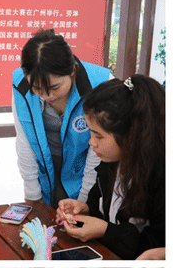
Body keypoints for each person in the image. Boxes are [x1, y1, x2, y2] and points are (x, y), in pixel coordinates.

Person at [55, 75, 165, 260]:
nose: (91, 143)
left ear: (131, 136)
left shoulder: (160, 177)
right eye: (90, 133)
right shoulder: (110, 162)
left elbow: (156, 248)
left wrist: (105, 231)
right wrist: (84, 210)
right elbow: (100, 206)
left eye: (98, 136)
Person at [12, 29, 111, 207]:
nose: (47, 96)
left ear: (72, 69)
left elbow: (98, 151)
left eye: (55, 87)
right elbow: (25, 143)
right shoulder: (21, 85)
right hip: (48, 169)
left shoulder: (101, 85)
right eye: (37, 89)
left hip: (89, 171)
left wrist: (84, 200)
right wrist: (32, 196)